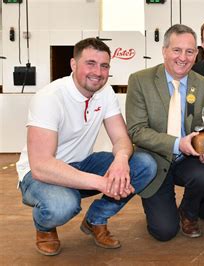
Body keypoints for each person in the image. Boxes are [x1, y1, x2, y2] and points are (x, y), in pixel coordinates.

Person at [15, 38, 157, 256]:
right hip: (38, 176)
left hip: (82, 163)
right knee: (62, 204)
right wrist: (102, 183)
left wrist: (120, 161)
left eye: (104, 66)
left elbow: (121, 138)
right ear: (73, 64)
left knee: (144, 164)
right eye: (90, 63)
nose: (98, 72)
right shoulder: (50, 97)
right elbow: (41, 165)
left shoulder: (105, 92)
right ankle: (44, 228)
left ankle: (95, 220)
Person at [126, 24, 204, 241]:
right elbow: (136, 131)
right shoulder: (139, 80)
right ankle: (163, 208)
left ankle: (188, 211)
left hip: (188, 159)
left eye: (190, 51)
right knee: (164, 232)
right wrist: (177, 143)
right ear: (164, 50)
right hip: (154, 160)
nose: (183, 57)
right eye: (177, 50)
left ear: (196, 54)